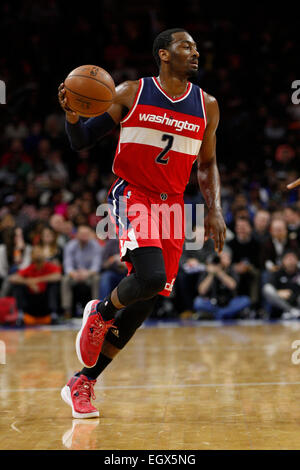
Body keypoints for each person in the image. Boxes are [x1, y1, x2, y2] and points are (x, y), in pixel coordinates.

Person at [59, 28, 226, 418]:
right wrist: (71, 115)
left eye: (197, 47)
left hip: (174, 206)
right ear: (164, 54)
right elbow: (81, 141)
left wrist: (213, 207)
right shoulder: (130, 92)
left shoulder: (208, 105)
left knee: (145, 302)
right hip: (134, 194)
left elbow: (208, 164)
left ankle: (83, 382)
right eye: (186, 46)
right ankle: (99, 313)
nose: (195, 52)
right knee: (149, 279)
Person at [9, 245, 62, 325]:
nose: (38, 255)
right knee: (18, 286)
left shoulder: (50, 266)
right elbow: (13, 278)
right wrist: (28, 282)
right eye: (35, 252)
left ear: (44, 254)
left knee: (54, 285)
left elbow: (58, 276)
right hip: (31, 302)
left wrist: (37, 280)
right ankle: (20, 314)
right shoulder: (30, 268)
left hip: (46, 302)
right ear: (31, 256)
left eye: (39, 252)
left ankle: (53, 314)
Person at [193, 248, 251, 320]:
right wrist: (211, 274)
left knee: (246, 300)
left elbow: (232, 286)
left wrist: (219, 272)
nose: (222, 261)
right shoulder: (209, 270)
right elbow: (202, 291)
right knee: (198, 302)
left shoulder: (232, 270)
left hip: (229, 302)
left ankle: (218, 314)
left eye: (225, 258)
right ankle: (224, 314)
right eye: (221, 258)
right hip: (212, 302)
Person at [61, 225, 103, 317]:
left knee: (97, 279)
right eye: (82, 234)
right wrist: (73, 274)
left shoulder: (96, 246)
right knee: (65, 280)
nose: (84, 236)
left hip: (89, 275)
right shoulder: (70, 246)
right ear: (77, 235)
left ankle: (95, 309)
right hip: (74, 275)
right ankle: (67, 310)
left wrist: (87, 273)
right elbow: (67, 265)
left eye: (86, 234)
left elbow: (96, 266)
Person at [263, 250, 300, 319]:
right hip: (281, 303)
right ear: (283, 261)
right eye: (288, 259)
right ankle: (290, 310)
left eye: (293, 258)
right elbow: (269, 287)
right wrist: (278, 292)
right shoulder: (277, 273)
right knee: (267, 289)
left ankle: (295, 311)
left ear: (297, 260)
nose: (290, 261)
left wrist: (294, 294)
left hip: (297, 301)